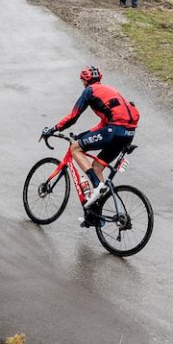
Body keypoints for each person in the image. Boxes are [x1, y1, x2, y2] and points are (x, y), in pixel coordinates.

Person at [45, 66, 140, 227]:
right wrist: (85, 134)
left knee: (75, 148)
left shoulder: (89, 91)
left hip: (114, 131)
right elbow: (103, 123)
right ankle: (96, 216)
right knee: (97, 166)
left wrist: (53, 129)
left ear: (85, 80)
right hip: (128, 134)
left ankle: (97, 184)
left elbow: (72, 117)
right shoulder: (109, 90)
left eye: (82, 80)